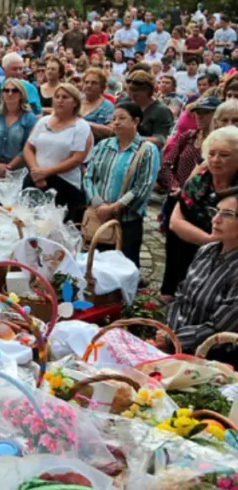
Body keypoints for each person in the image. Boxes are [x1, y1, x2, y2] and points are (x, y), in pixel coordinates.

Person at [161, 125, 238, 297]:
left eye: (224, 155)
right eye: (211, 154)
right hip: (187, 251)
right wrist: (210, 241)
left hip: (229, 263)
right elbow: (175, 222)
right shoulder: (198, 181)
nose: (215, 159)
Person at [83, 102, 162, 266]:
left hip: (126, 220)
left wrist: (113, 208)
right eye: (114, 119)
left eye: (122, 118)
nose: (116, 123)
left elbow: (143, 186)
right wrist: (98, 203)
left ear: (136, 121)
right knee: (96, 264)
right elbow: (89, 177)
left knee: (123, 266)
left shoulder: (147, 150)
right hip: (99, 216)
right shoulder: (103, 146)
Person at [166, 189, 238, 358]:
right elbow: (181, 296)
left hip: (212, 358)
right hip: (175, 344)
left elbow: (219, 328)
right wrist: (169, 332)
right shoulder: (207, 250)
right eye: (215, 211)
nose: (216, 219)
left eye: (227, 215)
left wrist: (174, 340)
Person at [23, 83, 93, 223]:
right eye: (57, 97)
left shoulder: (81, 127)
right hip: (36, 179)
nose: (60, 100)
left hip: (64, 183)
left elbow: (77, 158)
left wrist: (47, 172)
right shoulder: (43, 121)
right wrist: (35, 171)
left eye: (65, 97)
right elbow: (29, 148)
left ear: (75, 102)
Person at [0, 77, 38, 183]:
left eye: (14, 90)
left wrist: (9, 167)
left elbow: (28, 147)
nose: (10, 93)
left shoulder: (30, 118)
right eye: (6, 90)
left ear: (21, 94)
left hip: (18, 168)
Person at [121, 70, 173, 148]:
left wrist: (132, 139)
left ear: (148, 92)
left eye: (136, 95)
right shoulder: (127, 104)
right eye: (130, 95)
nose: (132, 98)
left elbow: (160, 140)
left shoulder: (161, 111)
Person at [0, 52, 43, 117]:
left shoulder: (30, 88)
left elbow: (38, 114)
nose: (18, 72)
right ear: (4, 69)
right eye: (14, 69)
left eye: (20, 69)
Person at [78, 68, 115, 141]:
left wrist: (84, 124)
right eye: (86, 82)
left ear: (102, 87)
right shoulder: (76, 101)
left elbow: (110, 131)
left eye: (94, 83)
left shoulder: (107, 106)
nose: (89, 85)